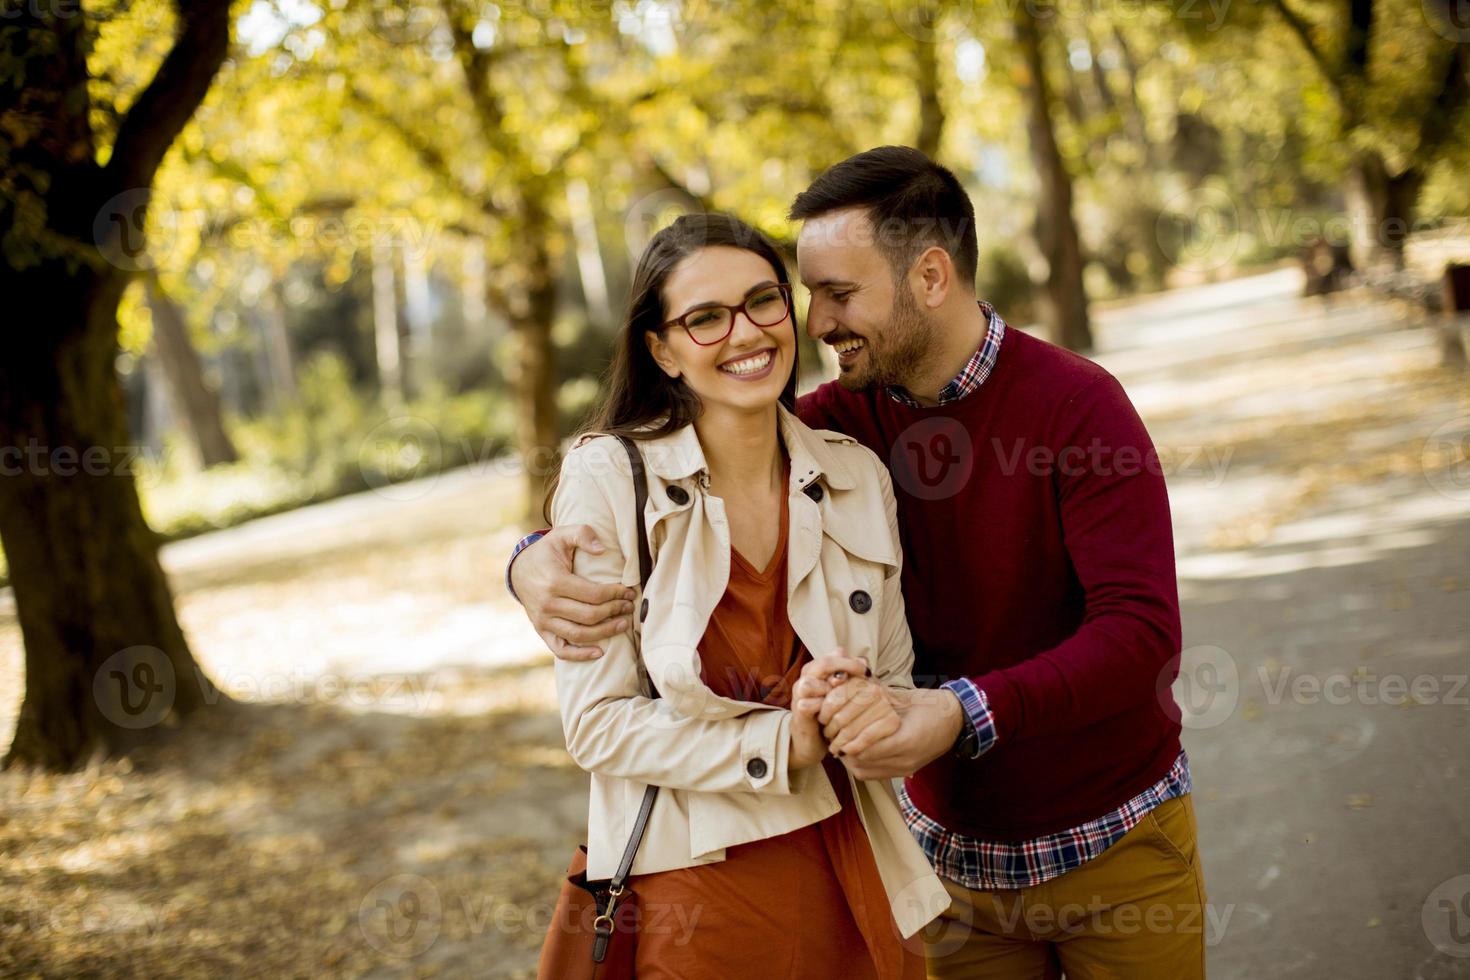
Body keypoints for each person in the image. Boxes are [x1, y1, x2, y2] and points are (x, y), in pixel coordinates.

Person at [512, 147, 1207, 979]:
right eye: (806, 293)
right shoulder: (838, 430)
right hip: (948, 869)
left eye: (838, 294)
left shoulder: (1076, 404)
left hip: (1113, 843)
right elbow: (681, 459)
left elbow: (1139, 634)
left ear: (931, 277)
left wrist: (956, 713)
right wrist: (524, 563)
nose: (814, 321)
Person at [537, 211, 946, 978]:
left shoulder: (856, 473)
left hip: (864, 865)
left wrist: (858, 707)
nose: (747, 333)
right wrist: (776, 743)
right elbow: (596, 724)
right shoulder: (609, 476)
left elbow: (891, 684)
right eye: (704, 318)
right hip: (702, 884)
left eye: (763, 301)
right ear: (660, 349)